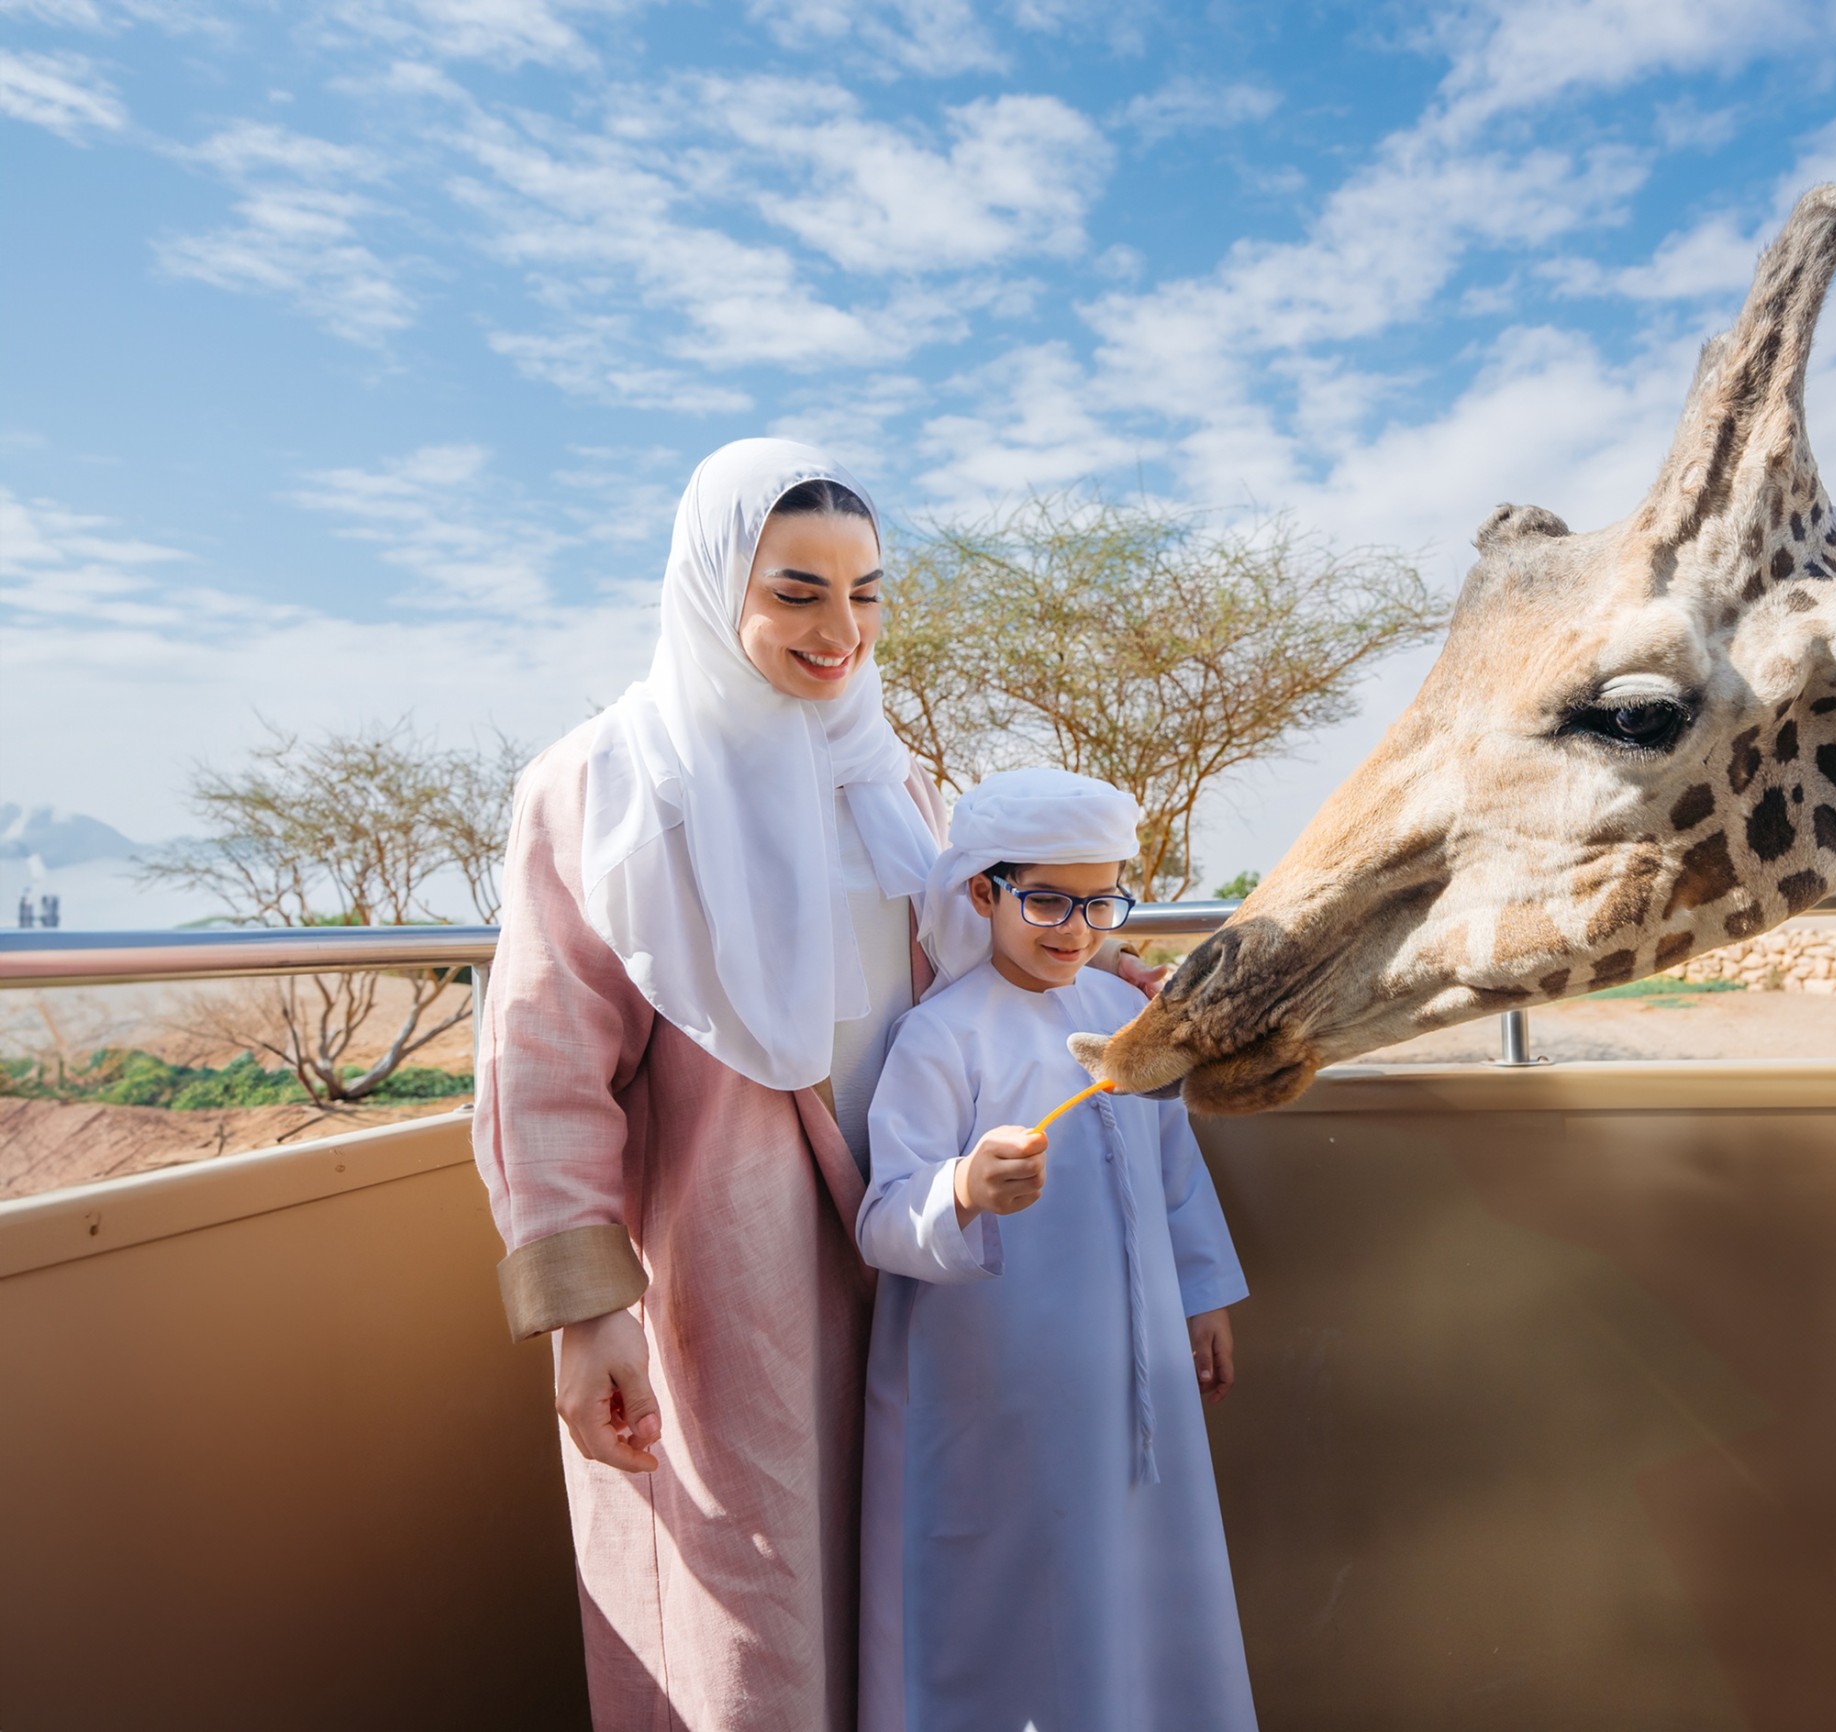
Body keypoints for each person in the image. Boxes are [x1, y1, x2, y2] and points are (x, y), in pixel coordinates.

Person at [476, 440, 1121, 1730]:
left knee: (901, 1571)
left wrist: (1101, 970)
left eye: (865, 592)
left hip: (901, 1226)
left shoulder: (885, 775)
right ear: (715, 586)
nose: (841, 631)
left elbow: (964, 955)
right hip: (719, 1259)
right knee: (745, 1601)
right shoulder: (600, 781)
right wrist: (586, 1311)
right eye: (797, 591)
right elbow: (542, 1063)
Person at [857, 768, 1256, 1732]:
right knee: (1020, 1581)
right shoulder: (939, 1037)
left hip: (1135, 1372)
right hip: (1001, 1384)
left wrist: (1203, 1296)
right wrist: (964, 1187)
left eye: (1100, 901)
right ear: (982, 892)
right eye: (1046, 901)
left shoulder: (1123, 1020)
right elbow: (883, 1215)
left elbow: (1175, 1170)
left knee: (1138, 1571)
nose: (1075, 930)